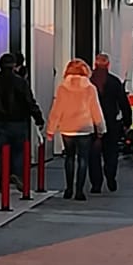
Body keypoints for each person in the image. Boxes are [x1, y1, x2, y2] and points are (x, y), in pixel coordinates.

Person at [0, 53, 44, 185]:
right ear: (14, 66)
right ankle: (17, 175)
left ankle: (2, 181)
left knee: (2, 152)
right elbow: (29, 102)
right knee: (19, 151)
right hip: (18, 122)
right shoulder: (21, 82)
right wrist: (38, 118)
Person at [47, 58, 105, 201]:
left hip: (67, 128)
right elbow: (95, 109)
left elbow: (57, 110)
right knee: (83, 159)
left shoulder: (62, 88)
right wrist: (101, 128)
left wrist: (51, 129)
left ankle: (68, 189)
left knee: (69, 158)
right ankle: (79, 191)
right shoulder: (90, 88)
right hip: (85, 128)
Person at [88, 53, 133, 194]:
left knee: (93, 155)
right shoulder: (114, 82)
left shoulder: (89, 81)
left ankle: (96, 184)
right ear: (108, 65)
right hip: (111, 123)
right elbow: (123, 103)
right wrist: (127, 122)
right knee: (111, 153)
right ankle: (110, 176)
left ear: (95, 64)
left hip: (92, 123)